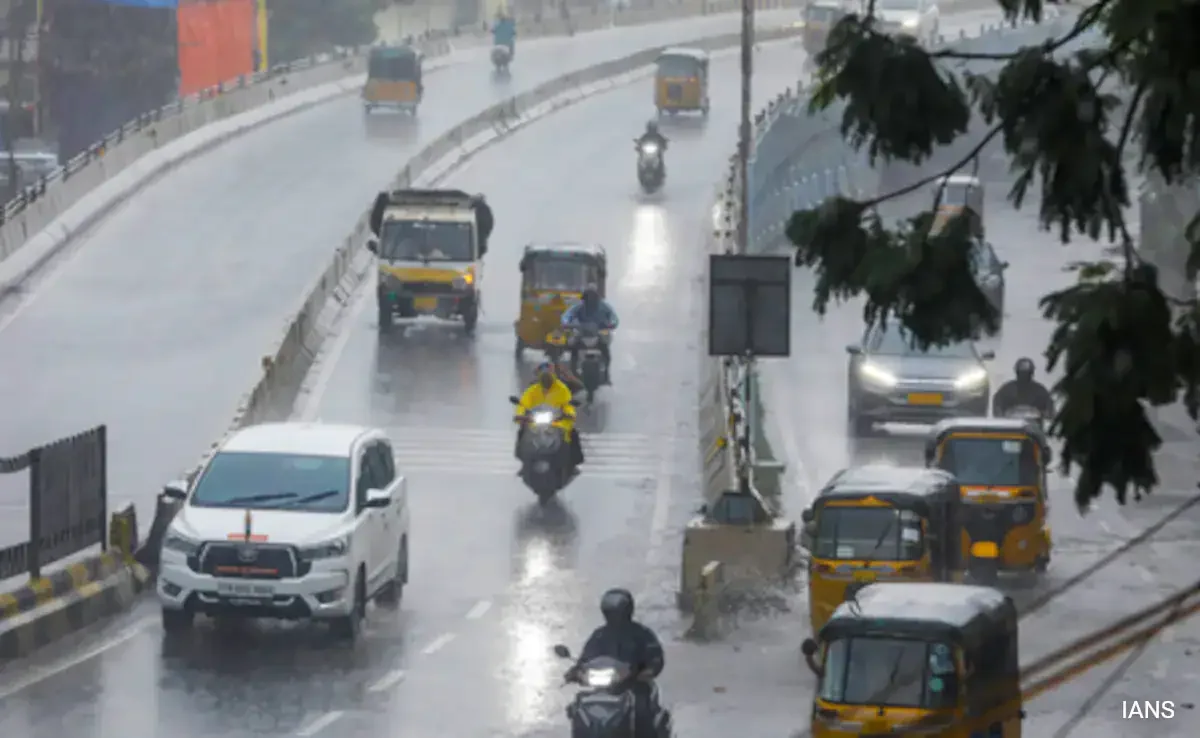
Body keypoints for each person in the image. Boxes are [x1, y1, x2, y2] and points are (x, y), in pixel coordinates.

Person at [568, 589, 666, 738]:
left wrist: (648, 670)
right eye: (611, 612)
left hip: (633, 685)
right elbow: (586, 658)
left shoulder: (641, 634)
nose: (614, 616)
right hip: (602, 688)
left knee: (641, 711)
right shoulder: (599, 635)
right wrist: (576, 671)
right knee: (577, 707)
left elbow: (655, 656)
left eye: (617, 612)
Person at [514, 362, 585, 467]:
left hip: (557, 422)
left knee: (573, 434)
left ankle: (575, 460)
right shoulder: (532, 390)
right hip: (535, 422)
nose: (546, 381)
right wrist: (520, 416)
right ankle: (522, 459)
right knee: (522, 432)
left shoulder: (562, 389)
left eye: (548, 377)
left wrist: (569, 414)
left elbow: (567, 404)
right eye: (543, 377)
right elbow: (523, 405)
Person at [561, 285, 619, 384]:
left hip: (598, 333)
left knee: (606, 352)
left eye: (592, 298)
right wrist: (567, 323)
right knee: (573, 349)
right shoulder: (579, 307)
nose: (590, 301)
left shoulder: (604, 307)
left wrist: (611, 324)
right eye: (588, 299)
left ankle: (606, 374)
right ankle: (573, 373)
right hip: (582, 333)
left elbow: (614, 317)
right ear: (584, 299)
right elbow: (567, 315)